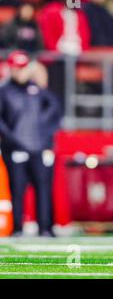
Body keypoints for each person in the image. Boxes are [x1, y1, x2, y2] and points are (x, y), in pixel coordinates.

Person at [0, 51, 61, 237]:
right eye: (16, 68)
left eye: (23, 67)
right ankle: (18, 228)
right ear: (10, 68)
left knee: (43, 190)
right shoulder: (4, 92)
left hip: (38, 147)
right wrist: (12, 140)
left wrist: (47, 140)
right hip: (16, 149)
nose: (20, 72)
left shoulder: (37, 91)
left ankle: (45, 228)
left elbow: (55, 112)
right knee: (17, 190)